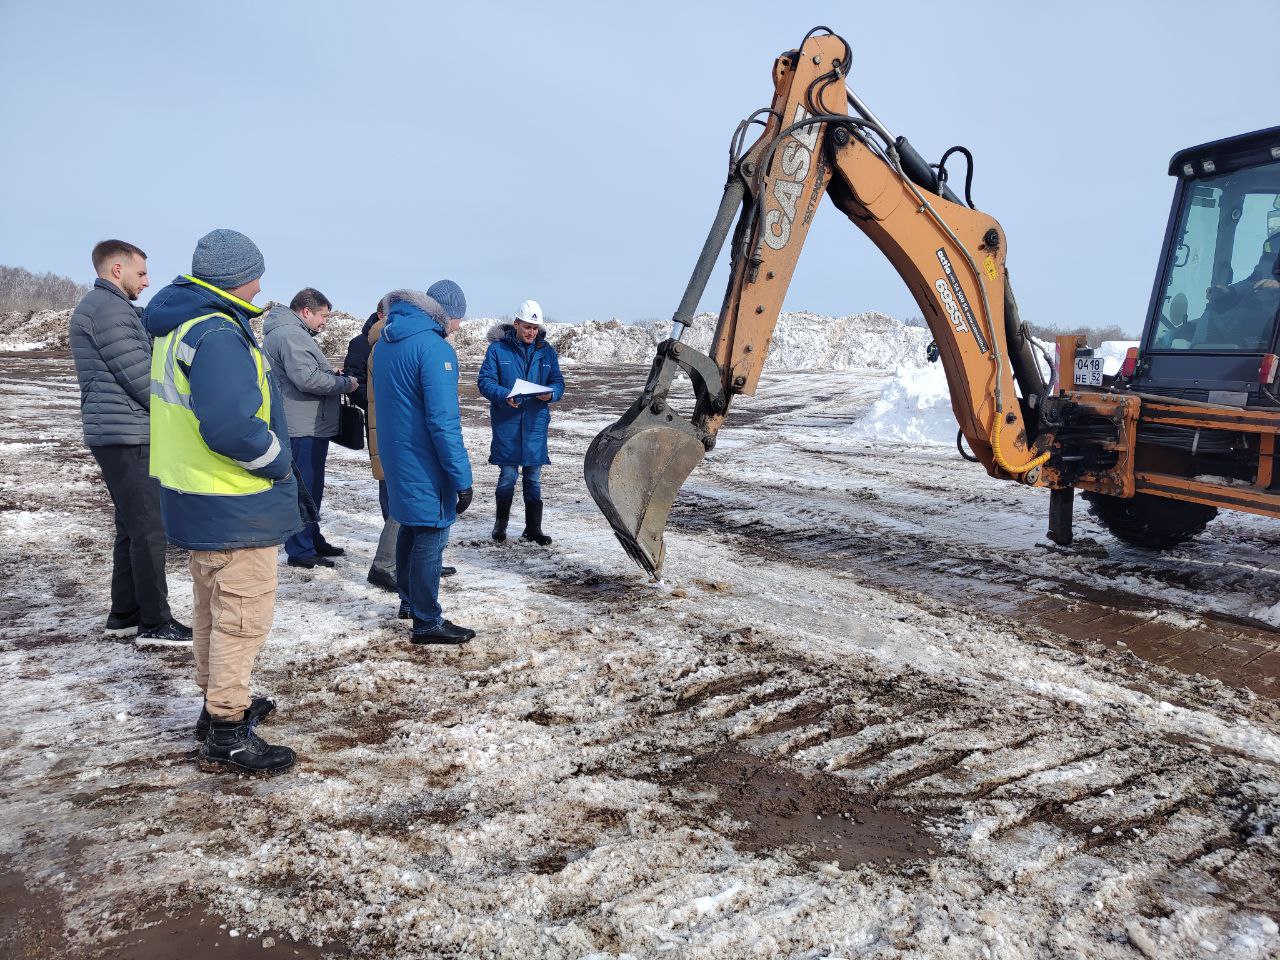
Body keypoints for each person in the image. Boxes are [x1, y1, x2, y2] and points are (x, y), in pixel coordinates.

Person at [143, 228, 299, 776]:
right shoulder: (218, 333)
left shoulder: (181, 326)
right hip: (234, 500)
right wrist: (278, 461)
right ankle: (227, 729)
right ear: (240, 278)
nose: (262, 285)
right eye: (259, 273)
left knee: (213, 609)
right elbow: (232, 427)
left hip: (197, 497)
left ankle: (217, 704)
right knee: (241, 617)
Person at [70, 240, 191, 645]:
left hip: (121, 431)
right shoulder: (107, 309)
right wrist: (186, 413)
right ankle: (155, 621)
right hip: (129, 433)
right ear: (116, 270)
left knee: (130, 526)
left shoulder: (110, 308)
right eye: (141, 273)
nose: (147, 280)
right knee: (149, 529)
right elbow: (142, 380)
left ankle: (125, 613)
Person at [372, 280, 475, 644]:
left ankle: (409, 602)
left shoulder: (387, 342)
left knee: (409, 529)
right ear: (446, 314)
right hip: (425, 462)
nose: (460, 326)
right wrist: (462, 478)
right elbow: (443, 422)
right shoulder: (434, 350)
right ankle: (427, 621)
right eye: (459, 317)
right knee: (431, 534)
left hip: (397, 455)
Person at [356, 299, 456, 592]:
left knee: (403, 506)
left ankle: (409, 568)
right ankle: (387, 566)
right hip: (398, 437)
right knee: (404, 508)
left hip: (390, 434)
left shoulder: (389, 343)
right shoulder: (391, 346)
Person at [262, 288, 358, 569]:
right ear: (306, 311)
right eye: (323, 316)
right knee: (303, 488)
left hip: (305, 422)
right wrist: (344, 384)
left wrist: (330, 375)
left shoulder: (291, 333)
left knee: (311, 486)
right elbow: (307, 379)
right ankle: (301, 549)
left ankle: (311, 538)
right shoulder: (291, 335)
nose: (325, 322)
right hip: (301, 425)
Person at [476, 299, 565, 545]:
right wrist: (504, 396)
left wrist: (552, 394)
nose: (531, 332)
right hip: (508, 425)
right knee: (507, 477)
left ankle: (533, 529)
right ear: (516, 323)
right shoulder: (497, 350)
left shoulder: (547, 352)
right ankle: (500, 525)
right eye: (527, 327)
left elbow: (558, 382)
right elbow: (485, 382)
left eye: (535, 328)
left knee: (533, 479)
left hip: (535, 425)